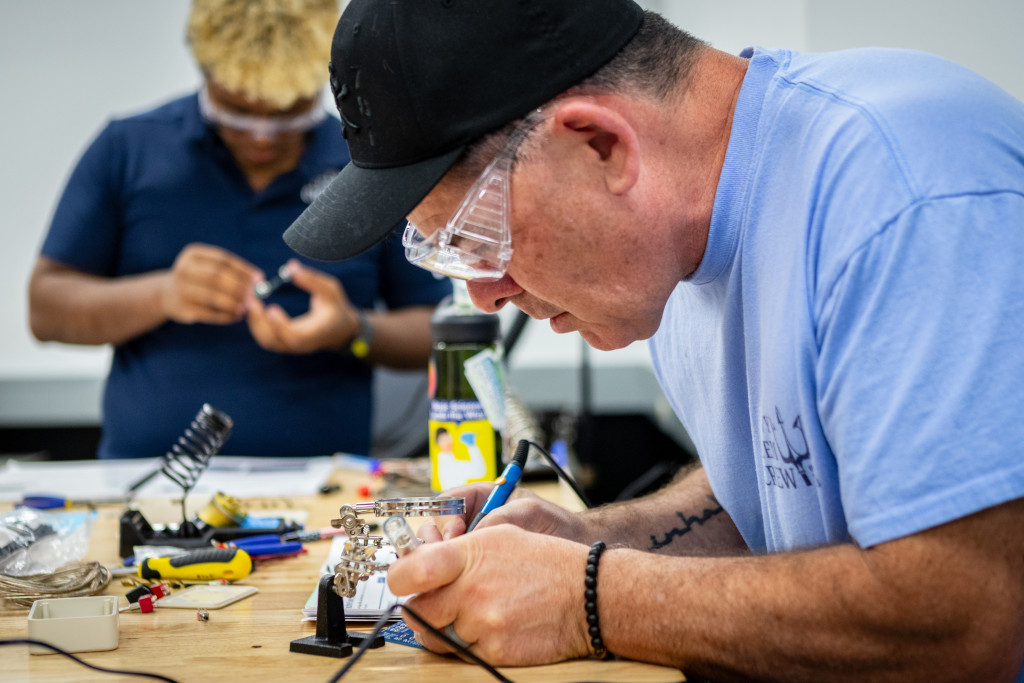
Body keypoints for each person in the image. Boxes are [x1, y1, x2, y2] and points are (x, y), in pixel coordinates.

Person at [282, 0, 1024, 680]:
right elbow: (784, 489)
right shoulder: (679, 250)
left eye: (481, 238)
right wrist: (582, 537)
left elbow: (968, 617)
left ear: (601, 143)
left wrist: (591, 597)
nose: (484, 291)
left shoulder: (910, 193)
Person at [28, 0, 451, 459]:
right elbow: (46, 308)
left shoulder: (369, 166)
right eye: (237, 113)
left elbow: (441, 329)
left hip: (326, 489)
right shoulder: (127, 151)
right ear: (207, 75)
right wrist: (163, 295)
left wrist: (352, 329)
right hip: (145, 484)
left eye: (289, 112)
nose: (263, 136)